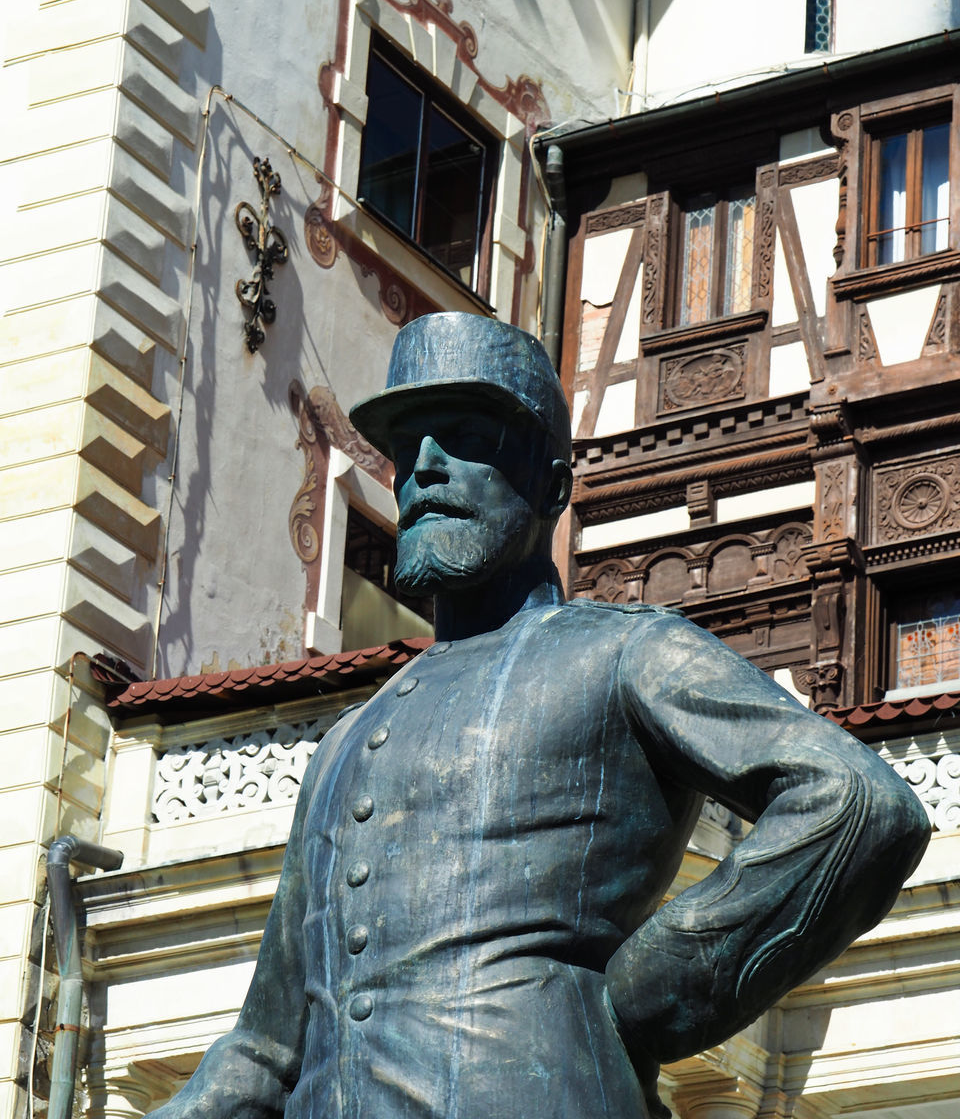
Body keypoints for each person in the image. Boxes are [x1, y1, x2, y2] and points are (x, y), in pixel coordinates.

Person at [152, 312, 929, 1119]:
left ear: (554, 486)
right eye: (408, 444)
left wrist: (640, 1000)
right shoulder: (342, 745)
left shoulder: (622, 654)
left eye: (463, 436)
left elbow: (857, 804)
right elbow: (266, 1050)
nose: (424, 467)